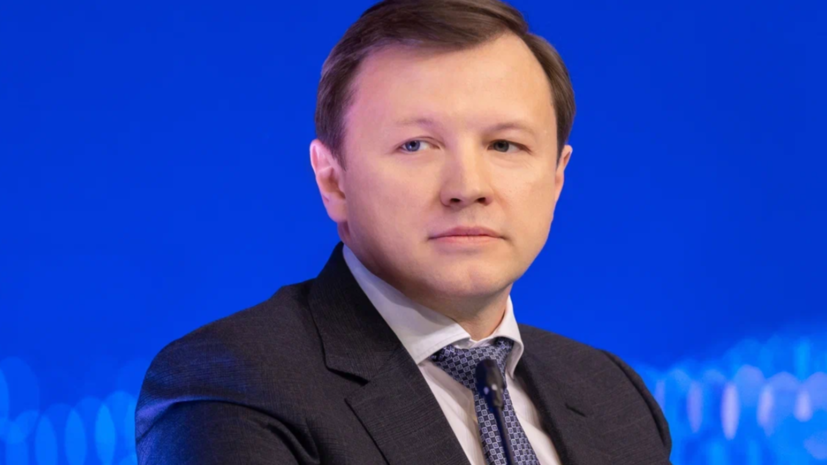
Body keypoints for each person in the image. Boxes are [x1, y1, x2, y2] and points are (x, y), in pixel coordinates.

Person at [135, 0, 672, 463]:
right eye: (416, 145)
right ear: (333, 180)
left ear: (557, 178)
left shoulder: (611, 393)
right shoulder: (233, 385)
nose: (468, 187)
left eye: (505, 145)